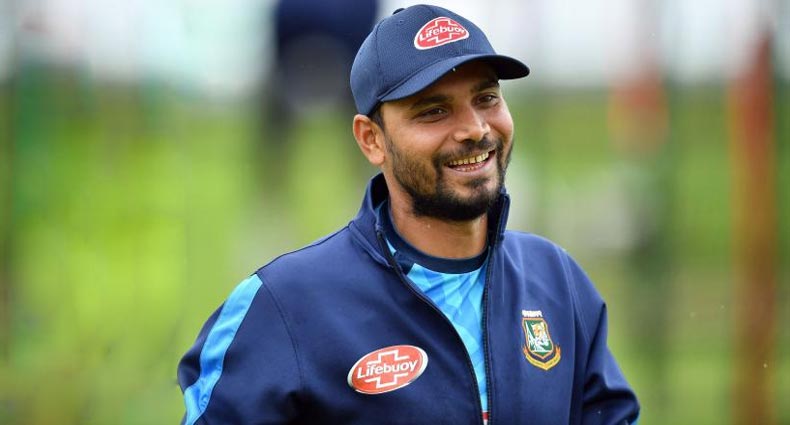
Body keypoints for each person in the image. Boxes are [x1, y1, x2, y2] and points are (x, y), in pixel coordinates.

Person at [177, 4, 640, 425]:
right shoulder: (283, 305)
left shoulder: (558, 283)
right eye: (434, 111)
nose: (474, 129)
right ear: (371, 140)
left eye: (486, 98)